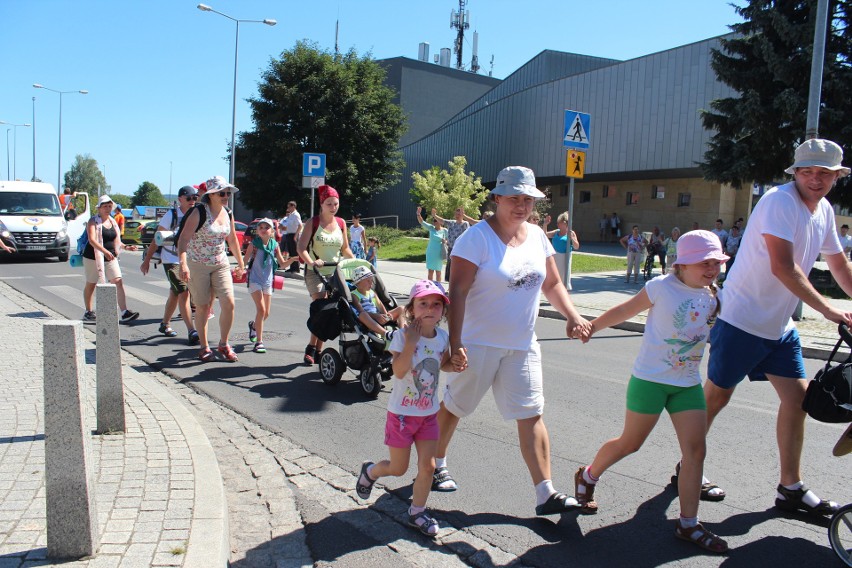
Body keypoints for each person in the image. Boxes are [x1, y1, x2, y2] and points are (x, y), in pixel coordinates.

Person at [700, 139, 852, 517]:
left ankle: (790, 489)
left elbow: (838, 263)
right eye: (807, 171)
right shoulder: (779, 202)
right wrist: (828, 309)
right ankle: (687, 467)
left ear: (836, 176)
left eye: (824, 173)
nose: (815, 179)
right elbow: (783, 266)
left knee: (798, 400)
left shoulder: (825, 210)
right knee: (716, 399)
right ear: (796, 172)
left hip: (778, 327)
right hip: (742, 320)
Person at [434, 166, 592, 516]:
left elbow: (552, 284)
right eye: (514, 198)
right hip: (477, 343)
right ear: (497, 198)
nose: (521, 206)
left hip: (521, 343)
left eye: (528, 199)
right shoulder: (475, 239)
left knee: (531, 413)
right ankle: (435, 463)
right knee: (455, 407)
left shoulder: (537, 235)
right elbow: (457, 291)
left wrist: (574, 315)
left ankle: (545, 493)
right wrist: (455, 341)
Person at [574, 230, 730, 554]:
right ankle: (588, 476)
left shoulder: (715, 295)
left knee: (695, 452)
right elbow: (624, 310)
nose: (712, 268)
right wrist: (592, 326)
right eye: (705, 262)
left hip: (687, 384)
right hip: (650, 380)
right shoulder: (662, 287)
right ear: (682, 264)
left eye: (717, 262)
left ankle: (688, 524)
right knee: (630, 443)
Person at [356, 280, 452, 537]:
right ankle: (370, 471)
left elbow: (441, 365)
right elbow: (398, 372)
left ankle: (417, 512)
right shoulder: (401, 336)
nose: (430, 309)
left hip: (428, 415)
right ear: (411, 309)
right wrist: (411, 343)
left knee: (428, 467)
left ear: (443, 310)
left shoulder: (443, 337)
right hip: (401, 415)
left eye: (436, 304)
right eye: (423, 303)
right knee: (398, 469)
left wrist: (459, 363)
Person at [177, 175, 246, 363]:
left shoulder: (228, 212)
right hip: (197, 264)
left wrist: (241, 264)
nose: (226, 196)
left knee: (229, 302)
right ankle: (204, 346)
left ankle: (223, 344)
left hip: (220, 262)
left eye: (228, 192)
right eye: (222, 193)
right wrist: (183, 264)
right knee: (203, 306)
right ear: (211, 194)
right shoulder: (198, 212)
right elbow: (183, 240)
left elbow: (231, 239)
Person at [297, 184, 354, 365]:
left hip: (335, 271)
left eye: (335, 203)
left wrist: (356, 262)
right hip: (316, 272)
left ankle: (318, 350)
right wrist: (311, 262)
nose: (333, 207)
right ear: (322, 204)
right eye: (329, 203)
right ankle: (310, 348)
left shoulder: (342, 223)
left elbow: (345, 249)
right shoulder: (313, 223)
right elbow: (301, 248)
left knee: (331, 311)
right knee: (322, 305)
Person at [140, 185, 199, 344]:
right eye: (189, 198)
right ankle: (191, 330)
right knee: (183, 291)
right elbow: (157, 238)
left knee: (175, 292)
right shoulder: (171, 215)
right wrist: (147, 260)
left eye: (195, 198)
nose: (192, 201)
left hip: (189, 259)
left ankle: (164, 324)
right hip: (171, 259)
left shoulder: (197, 214)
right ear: (180, 199)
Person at [81, 195, 140, 323]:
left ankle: (124, 312)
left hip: (111, 257)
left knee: (118, 281)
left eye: (109, 206)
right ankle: (88, 311)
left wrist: (126, 247)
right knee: (91, 284)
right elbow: (92, 240)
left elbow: (116, 240)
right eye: (105, 206)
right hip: (93, 257)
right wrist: (104, 251)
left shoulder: (113, 222)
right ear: (99, 208)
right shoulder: (93, 221)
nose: (108, 209)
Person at [243, 218, 297, 354]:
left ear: (272, 231)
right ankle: (259, 342)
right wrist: (239, 269)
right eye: (260, 227)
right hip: (254, 280)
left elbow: (282, 265)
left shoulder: (275, 245)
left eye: (266, 227)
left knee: (266, 313)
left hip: (267, 281)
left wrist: (292, 259)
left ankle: (254, 326)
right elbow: (243, 261)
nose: (262, 229)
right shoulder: (253, 244)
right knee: (261, 310)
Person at [350, 265, 403, 338]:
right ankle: (386, 333)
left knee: (401, 308)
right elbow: (360, 311)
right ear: (358, 282)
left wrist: (386, 315)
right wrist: (376, 316)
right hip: (368, 320)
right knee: (362, 315)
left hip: (379, 316)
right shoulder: (354, 295)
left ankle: (403, 331)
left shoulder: (372, 292)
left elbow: (379, 305)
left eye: (371, 280)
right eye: (368, 281)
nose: (371, 283)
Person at [431, 207, 474, 282]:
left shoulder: (465, 224)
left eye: (459, 214)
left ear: (463, 215)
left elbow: (468, 236)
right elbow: (442, 221)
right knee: (450, 268)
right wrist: (435, 215)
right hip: (451, 249)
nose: (457, 215)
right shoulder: (451, 223)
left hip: (460, 250)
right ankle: (449, 287)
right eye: (456, 213)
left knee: (458, 269)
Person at [544, 212, 580, 290]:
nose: (557, 225)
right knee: (554, 276)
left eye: (559, 223)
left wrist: (572, 238)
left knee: (564, 277)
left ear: (564, 223)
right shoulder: (556, 232)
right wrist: (545, 224)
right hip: (555, 257)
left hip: (564, 258)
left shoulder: (571, 233)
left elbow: (576, 246)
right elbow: (545, 234)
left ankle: (564, 294)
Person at [415, 206, 447, 283]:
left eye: (436, 220)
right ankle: (430, 288)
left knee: (438, 272)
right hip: (431, 252)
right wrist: (418, 214)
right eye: (434, 221)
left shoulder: (445, 230)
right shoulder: (431, 228)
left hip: (439, 253)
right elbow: (422, 222)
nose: (435, 222)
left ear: (440, 222)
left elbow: (449, 240)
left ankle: (439, 287)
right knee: (430, 271)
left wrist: (445, 241)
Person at [280, 201, 303, 273]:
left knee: (294, 252)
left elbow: (300, 225)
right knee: (291, 252)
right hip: (289, 234)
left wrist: (296, 236)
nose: (288, 208)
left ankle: (296, 268)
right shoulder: (290, 215)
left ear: (293, 206)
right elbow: (290, 225)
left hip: (293, 235)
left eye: (289, 206)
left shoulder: (296, 215)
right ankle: (292, 267)